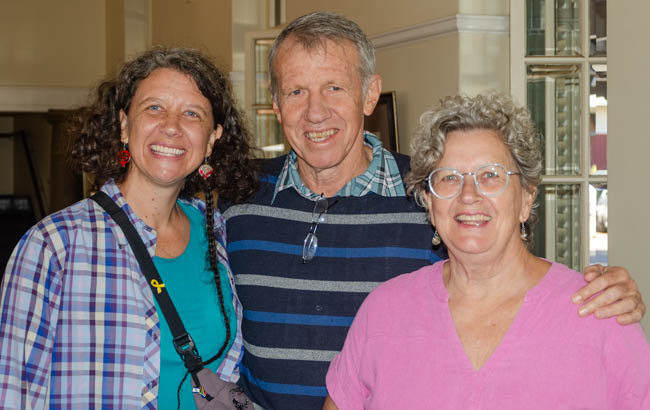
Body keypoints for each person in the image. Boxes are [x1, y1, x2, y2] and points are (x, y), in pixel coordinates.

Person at [220, 12, 645, 410]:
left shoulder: (426, 191)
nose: (316, 111)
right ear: (275, 104)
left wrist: (608, 291)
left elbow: (513, 275)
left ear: (370, 94)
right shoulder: (236, 200)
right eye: (296, 91)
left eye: (334, 87)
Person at [323, 93, 650, 409]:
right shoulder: (384, 313)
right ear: (429, 203)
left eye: (490, 175)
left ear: (526, 198)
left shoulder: (599, 312)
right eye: (449, 178)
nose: (468, 194)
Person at [0, 47, 257, 408]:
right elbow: (13, 391)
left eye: (192, 113)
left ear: (212, 138)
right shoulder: (55, 244)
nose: (171, 126)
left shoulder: (221, 233)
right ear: (124, 125)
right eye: (154, 108)